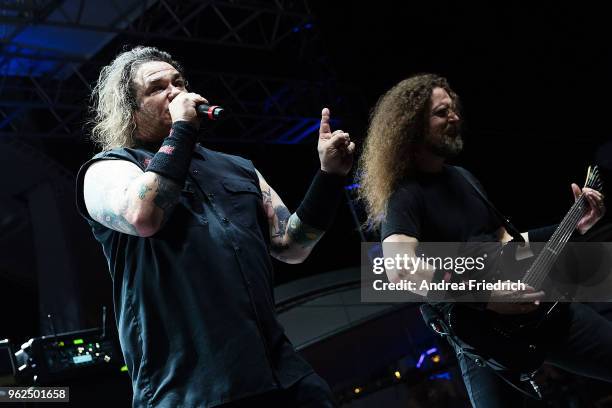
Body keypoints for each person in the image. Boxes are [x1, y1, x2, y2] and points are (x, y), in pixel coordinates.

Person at [76, 46, 355, 407]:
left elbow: (292, 246)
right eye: (157, 88)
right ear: (131, 111)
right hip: (191, 389)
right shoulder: (107, 170)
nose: (175, 91)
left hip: (281, 376)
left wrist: (329, 178)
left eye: (178, 81)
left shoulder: (237, 168)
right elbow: (143, 216)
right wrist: (181, 130)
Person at [357, 73, 612, 407]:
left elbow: (510, 245)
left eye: (453, 109)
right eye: (441, 113)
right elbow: (400, 270)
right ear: (412, 126)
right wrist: (487, 297)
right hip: (487, 346)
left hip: (540, 313)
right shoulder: (404, 197)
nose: (455, 117)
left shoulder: (463, 178)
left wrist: (572, 226)